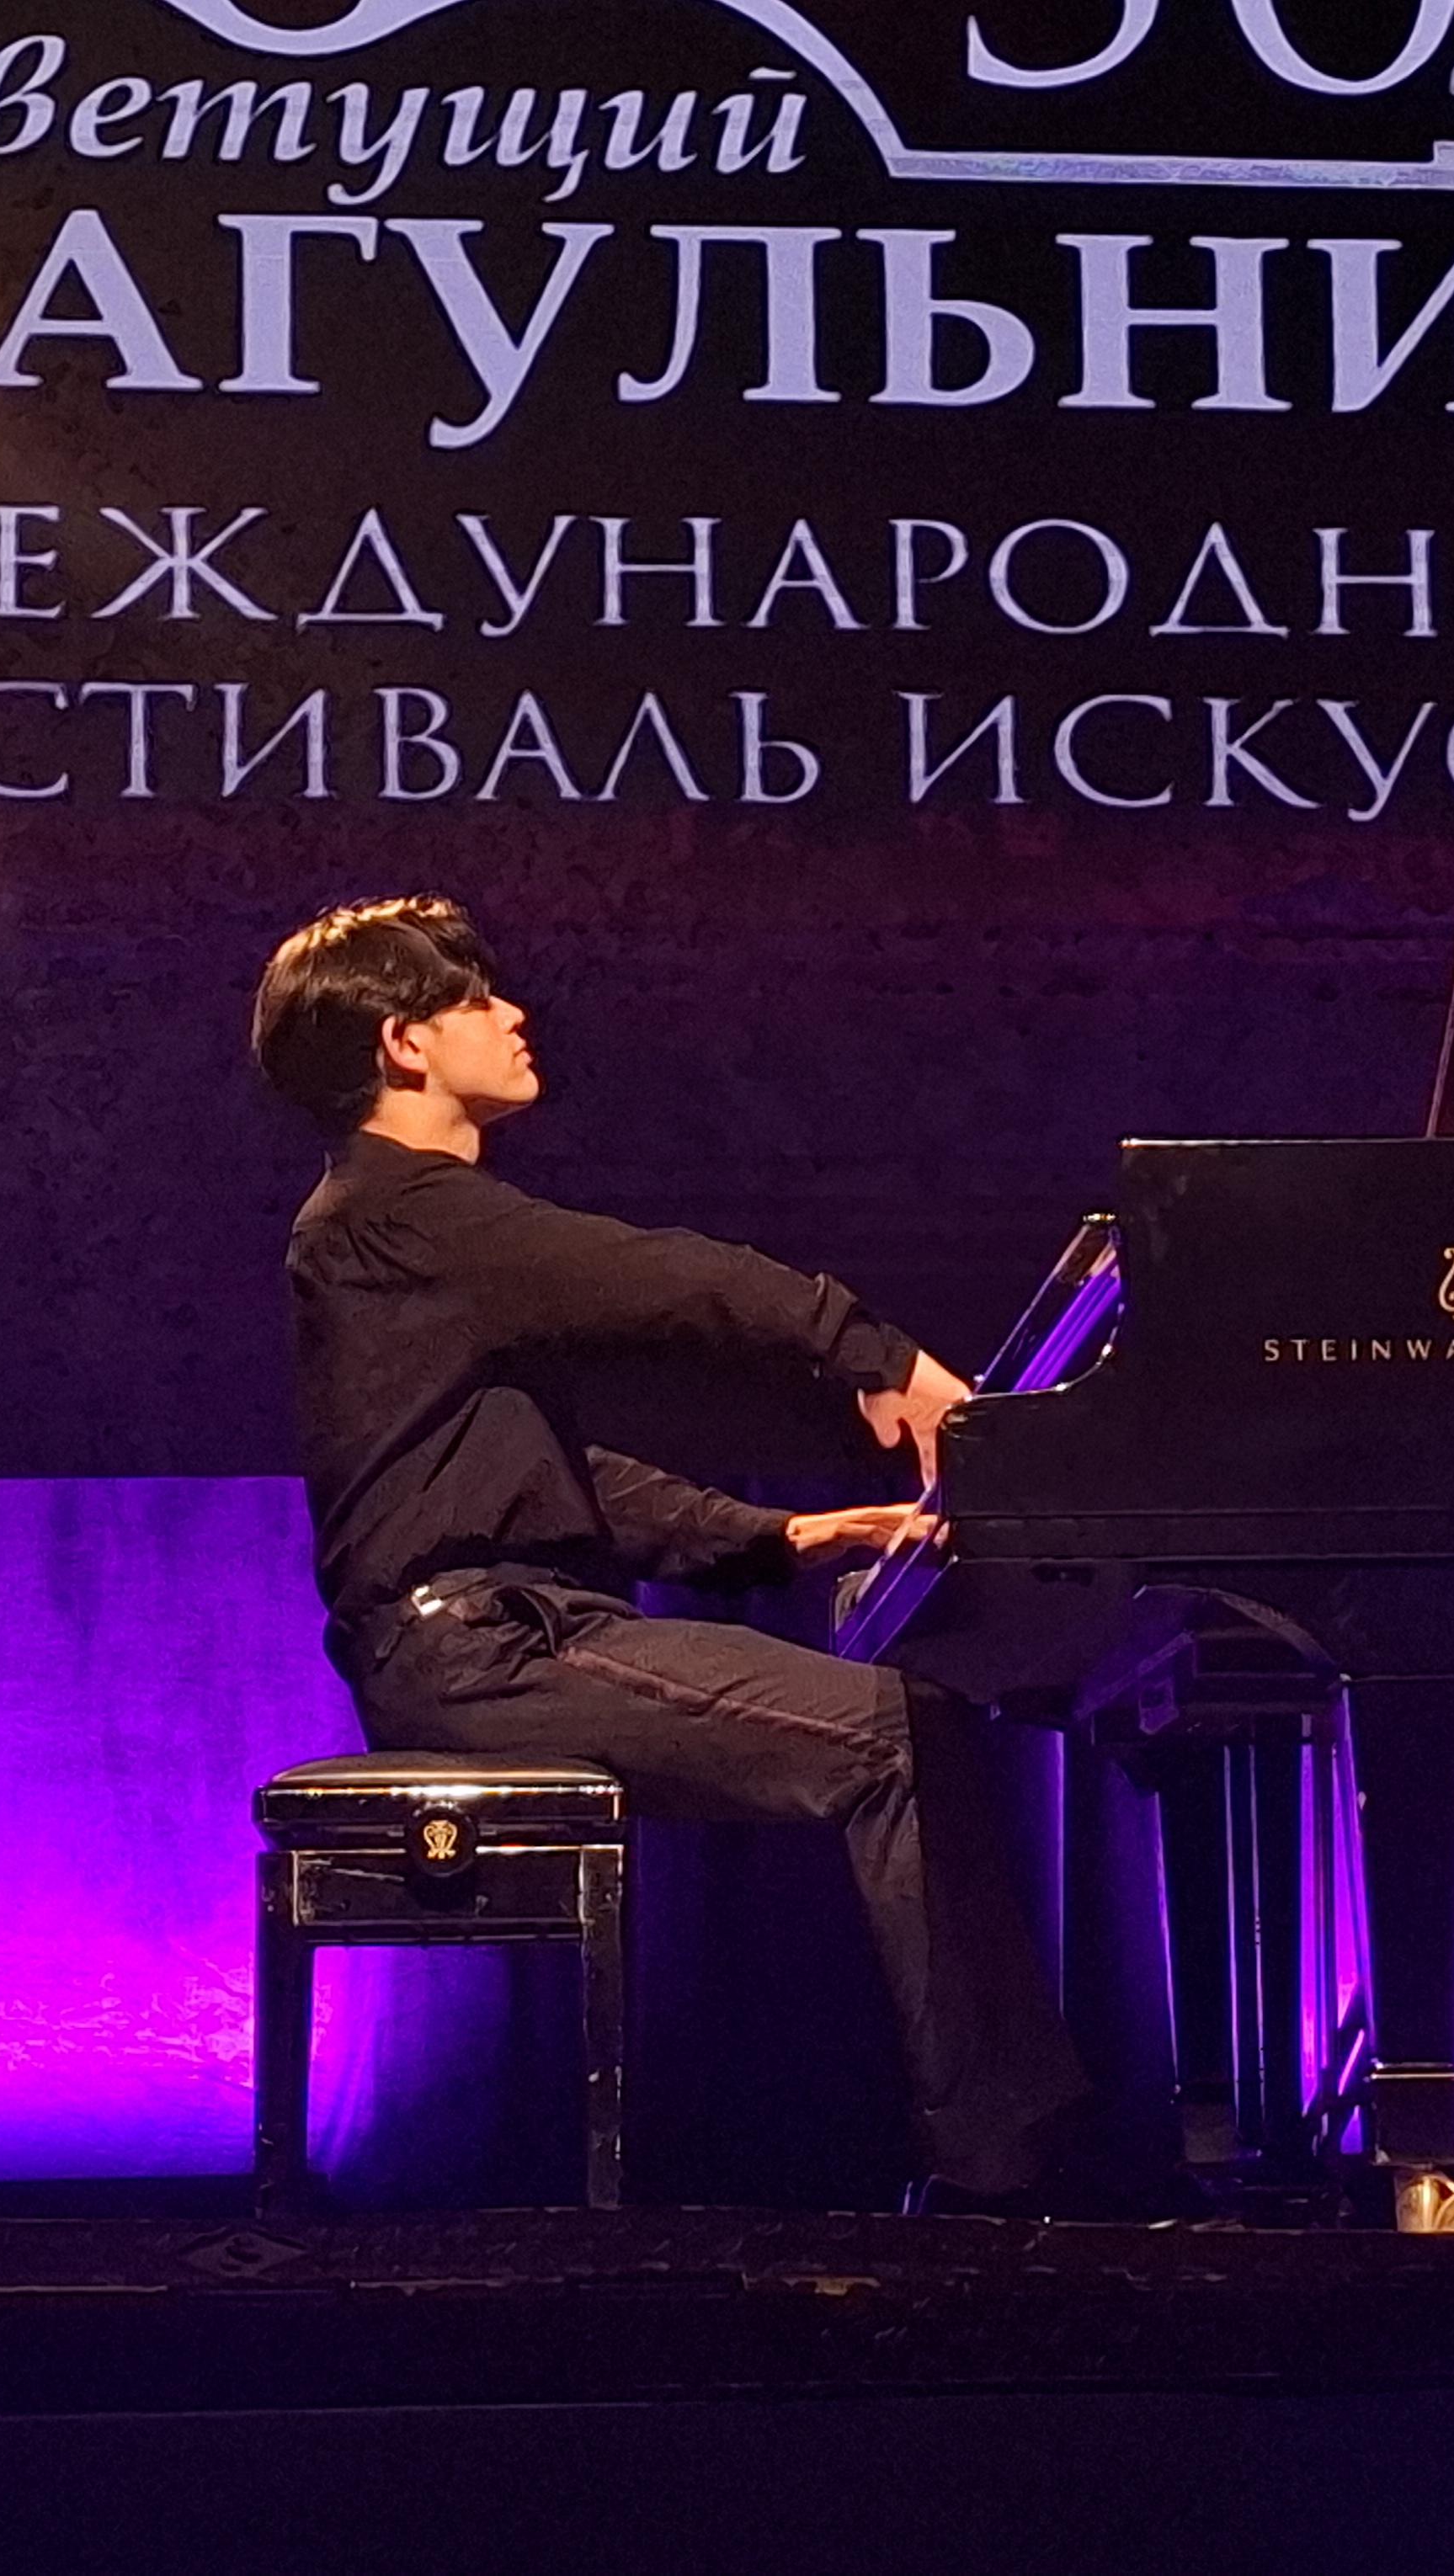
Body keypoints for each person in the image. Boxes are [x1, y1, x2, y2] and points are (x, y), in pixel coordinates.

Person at [252, 894, 1088, 2202]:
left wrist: (781, 1537)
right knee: (893, 1736)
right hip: (477, 1650)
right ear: (405, 1044)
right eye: (476, 999)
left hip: (504, 1633)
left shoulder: (407, 1237)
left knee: (904, 1726)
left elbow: (547, 1479)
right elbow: (673, 1276)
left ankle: (1012, 2147)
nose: (513, 1013)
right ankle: (1008, 2172)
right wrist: (876, 1353)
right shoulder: (398, 1217)